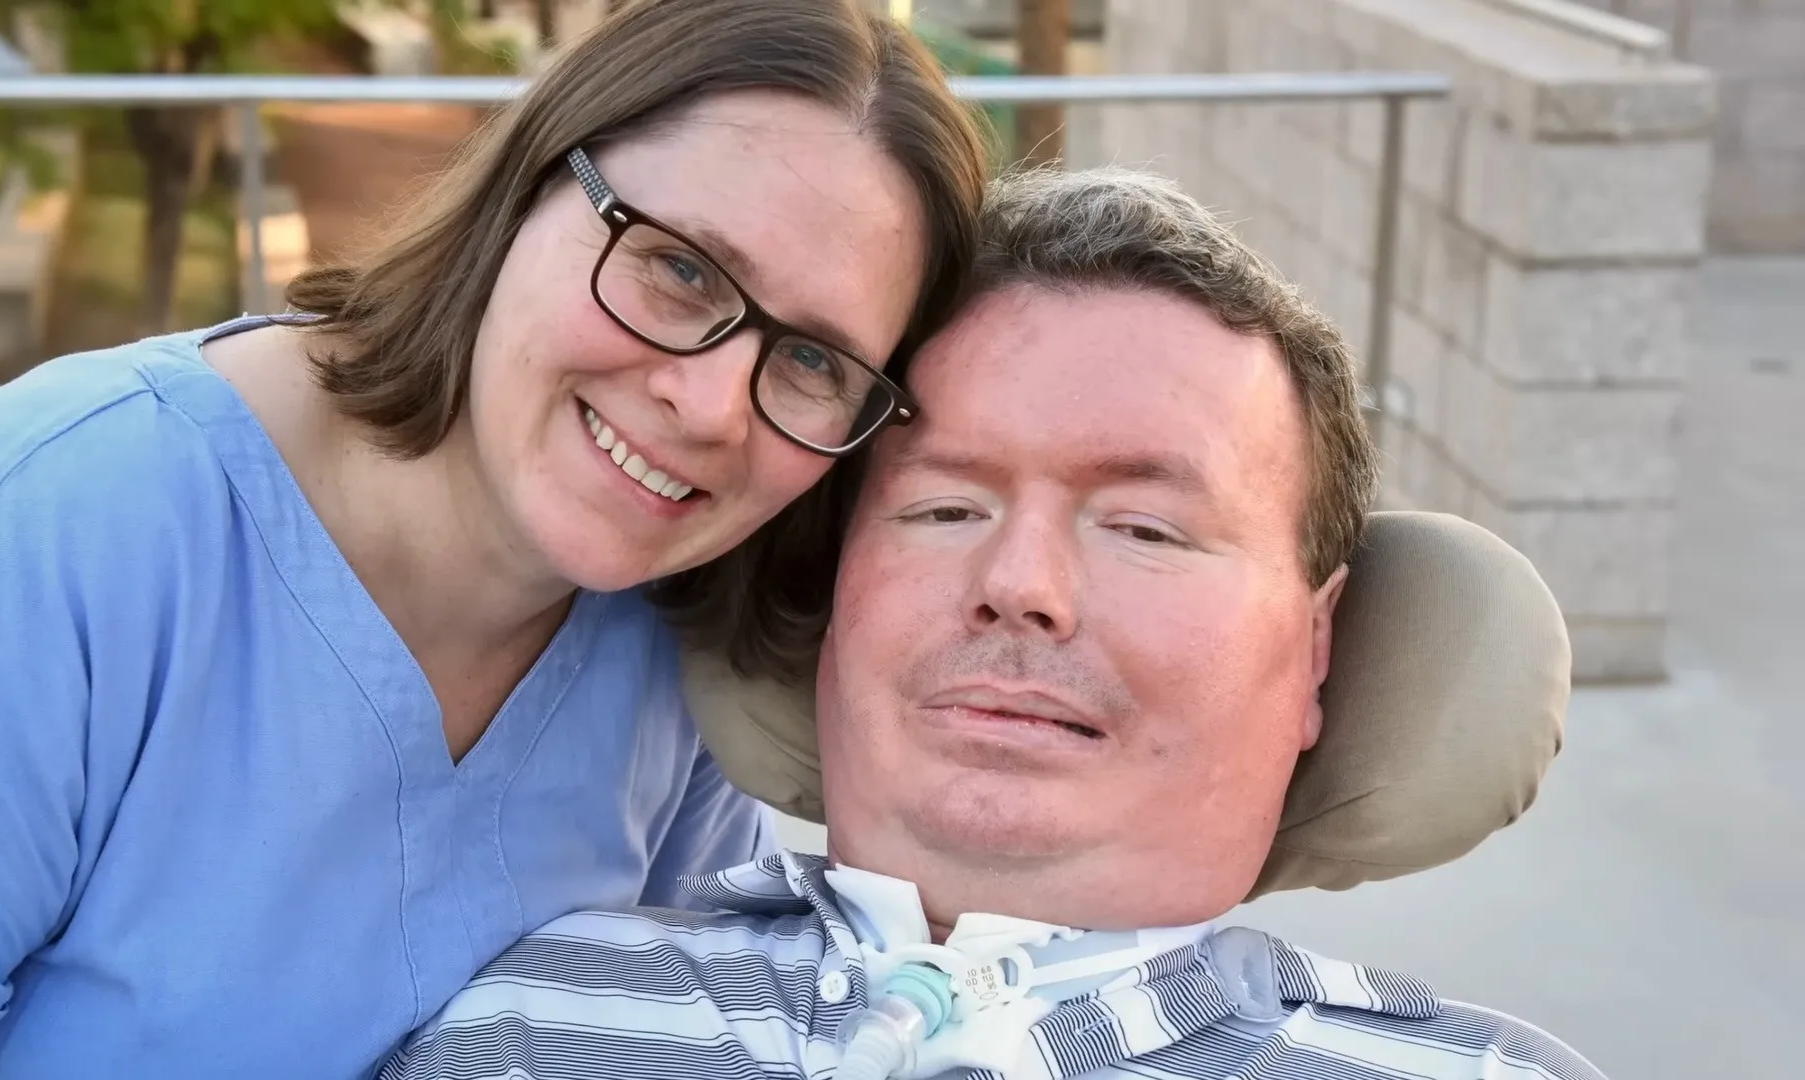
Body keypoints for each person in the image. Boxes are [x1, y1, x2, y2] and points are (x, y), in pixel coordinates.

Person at [0, 2, 989, 1077]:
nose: (709, 407)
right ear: (528, 185)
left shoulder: (682, 665)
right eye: (681, 269)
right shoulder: (67, 529)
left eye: (813, 361)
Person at [376, 167, 1605, 1080]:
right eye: (946, 507)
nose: (1020, 584)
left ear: (1317, 649)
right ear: (829, 591)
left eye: (1145, 529)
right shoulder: (525, 1028)